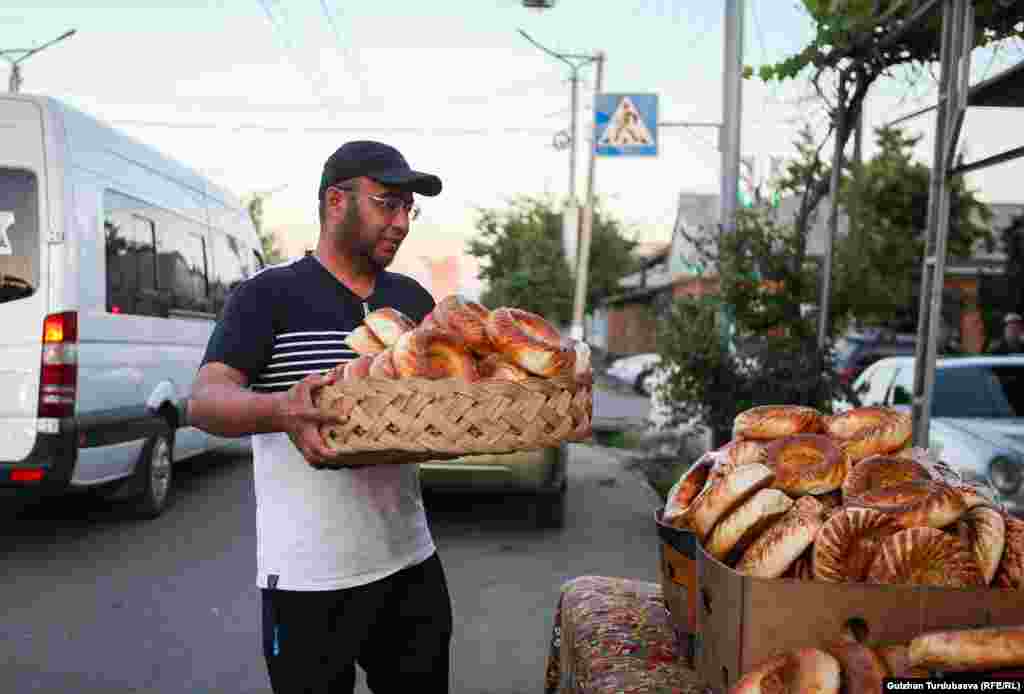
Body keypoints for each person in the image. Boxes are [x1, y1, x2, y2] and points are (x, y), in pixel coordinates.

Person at [186, 141, 451, 693]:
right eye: (387, 204)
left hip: (410, 563)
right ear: (337, 202)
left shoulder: (414, 301)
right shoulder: (269, 295)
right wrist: (281, 409)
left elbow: (446, 398)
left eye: (409, 209)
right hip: (308, 579)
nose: (402, 223)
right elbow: (206, 401)